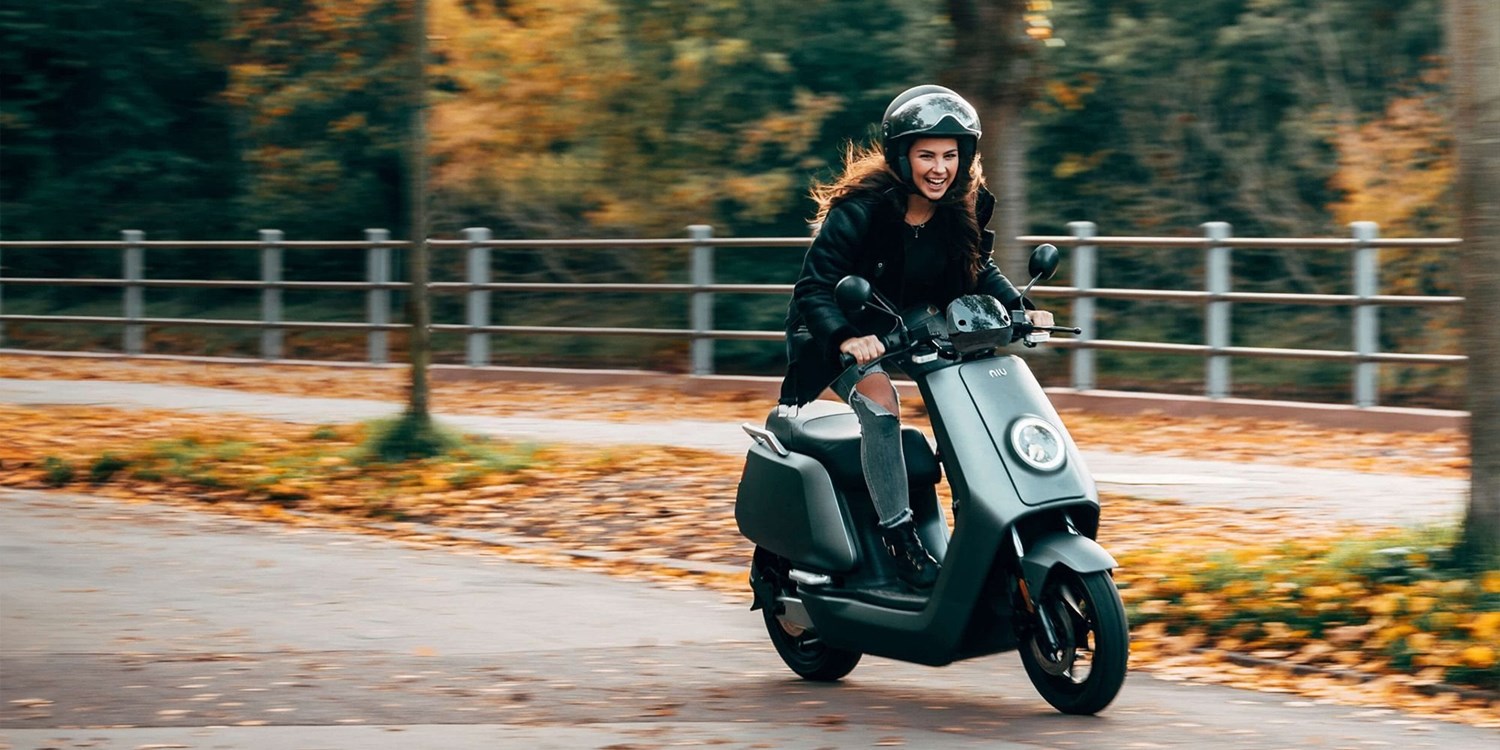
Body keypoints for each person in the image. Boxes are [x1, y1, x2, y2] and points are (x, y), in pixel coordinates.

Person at [777, 84, 1054, 591]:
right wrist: (846, 338)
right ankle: (898, 536)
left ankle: (981, 513)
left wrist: (1021, 309)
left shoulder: (961, 206)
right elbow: (814, 287)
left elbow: (978, 269)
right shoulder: (861, 209)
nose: (939, 168)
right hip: (835, 325)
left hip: (909, 323)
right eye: (927, 155)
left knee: (974, 392)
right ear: (902, 157)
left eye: (950, 155)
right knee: (881, 402)